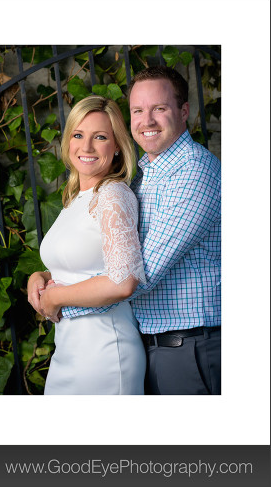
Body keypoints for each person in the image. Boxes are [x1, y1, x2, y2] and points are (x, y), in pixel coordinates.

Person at [32, 66, 221, 395]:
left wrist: (57, 297)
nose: (147, 120)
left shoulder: (194, 170)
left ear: (184, 111)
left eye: (159, 109)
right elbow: (101, 256)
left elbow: (134, 275)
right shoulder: (141, 176)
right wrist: (46, 277)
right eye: (138, 110)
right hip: (148, 344)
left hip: (189, 344)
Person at [26, 96, 146, 394]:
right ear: (68, 141)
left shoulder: (112, 194)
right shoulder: (75, 198)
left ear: (117, 146)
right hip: (69, 349)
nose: (87, 147)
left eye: (100, 137)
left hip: (104, 351)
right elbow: (78, 261)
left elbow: (123, 282)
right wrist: (39, 276)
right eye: (78, 135)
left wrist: (56, 298)